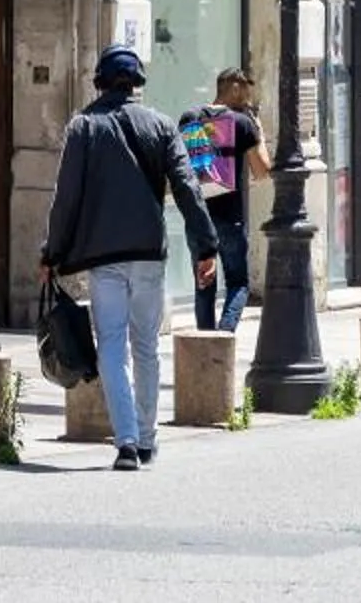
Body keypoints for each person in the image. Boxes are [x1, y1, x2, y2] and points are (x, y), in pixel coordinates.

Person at [40, 41, 219, 470]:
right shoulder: (161, 125)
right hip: (149, 253)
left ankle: (125, 443)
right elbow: (188, 189)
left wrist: (52, 252)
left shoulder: (83, 127)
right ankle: (147, 438)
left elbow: (66, 199)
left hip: (105, 257)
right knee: (146, 346)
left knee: (111, 346)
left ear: (100, 83)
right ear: (137, 83)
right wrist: (206, 246)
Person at [179, 67, 270, 333]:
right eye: (246, 91)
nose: (248, 99)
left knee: (203, 283)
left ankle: (205, 343)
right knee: (238, 283)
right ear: (234, 87)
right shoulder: (241, 123)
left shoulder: (189, 117)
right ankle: (224, 334)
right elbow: (262, 171)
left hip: (198, 217)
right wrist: (259, 134)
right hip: (230, 217)